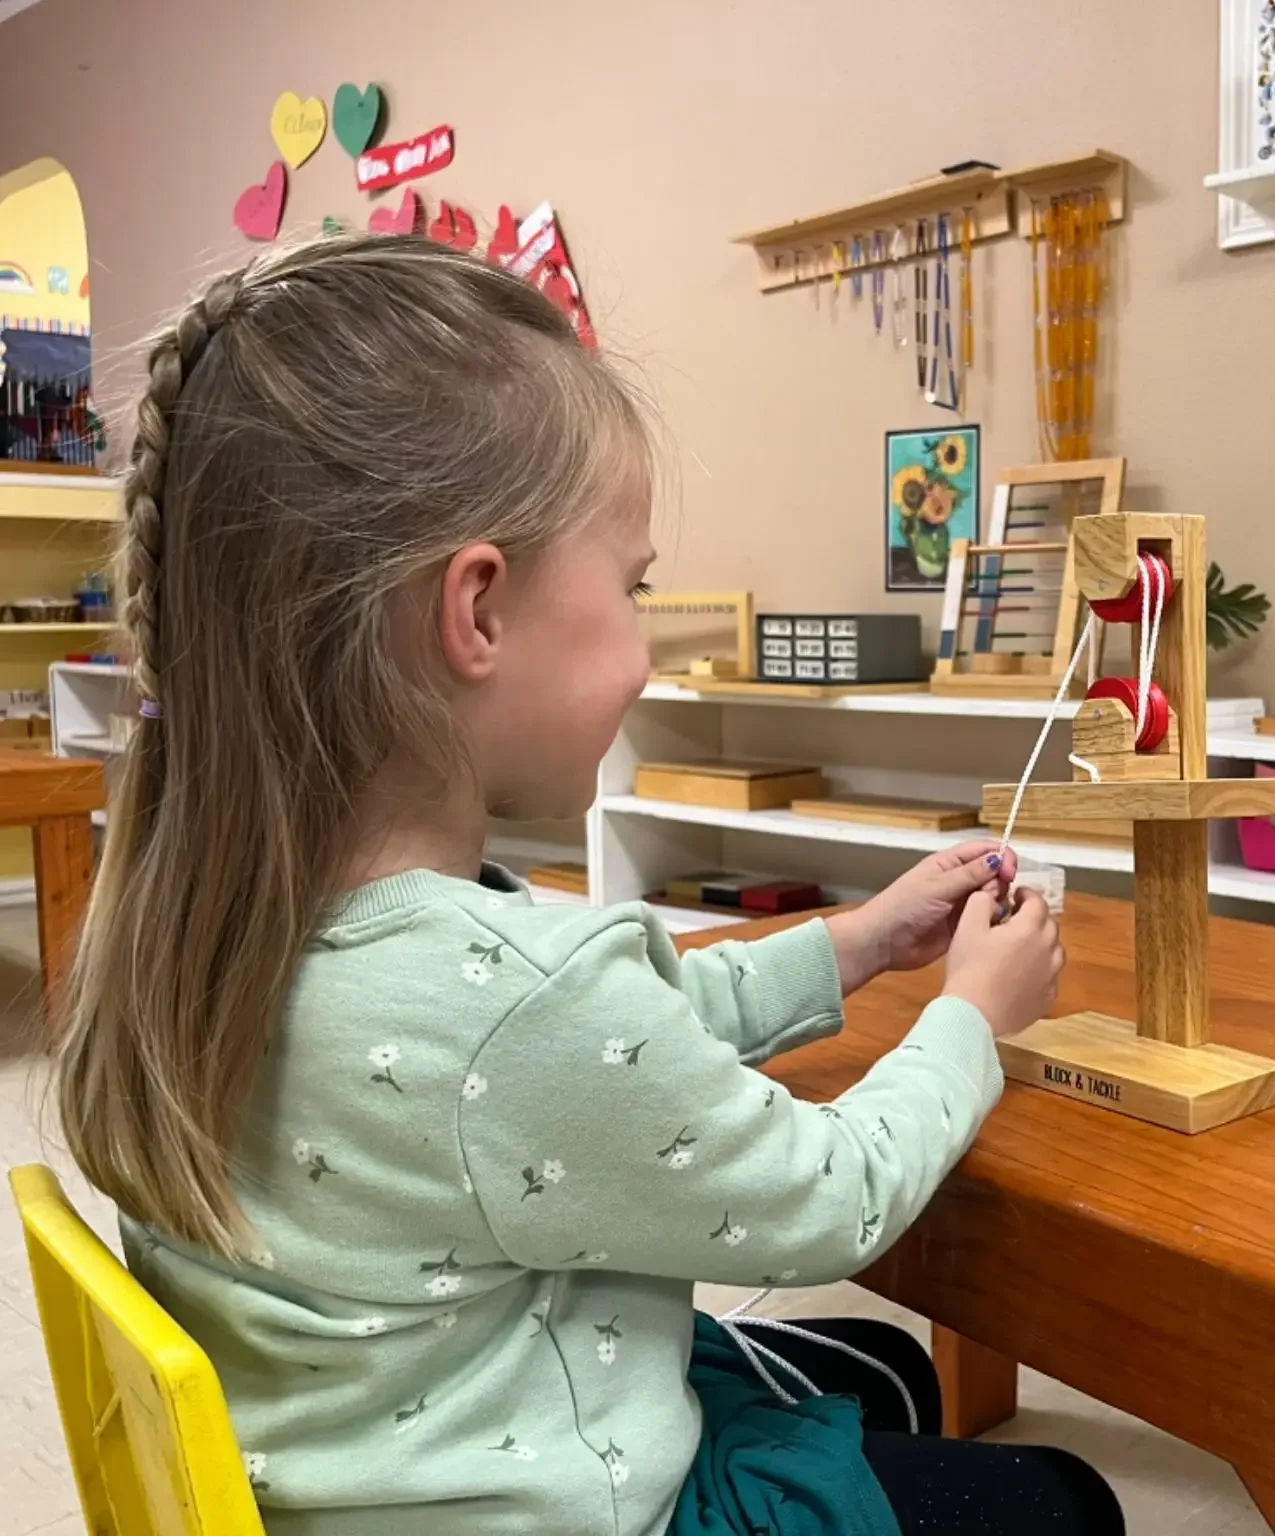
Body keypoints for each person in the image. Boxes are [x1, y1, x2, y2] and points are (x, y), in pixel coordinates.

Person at [52, 234, 1120, 1536]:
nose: (644, 638)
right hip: (574, 1503)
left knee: (885, 1372)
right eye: (634, 585)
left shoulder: (204, 925)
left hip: (386, 1469)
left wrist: (850, 944)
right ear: (479, 613)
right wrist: (972, 1017)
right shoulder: (518, 1007)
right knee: (1061, 1502)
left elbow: (592, 1054)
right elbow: (833, 1193)